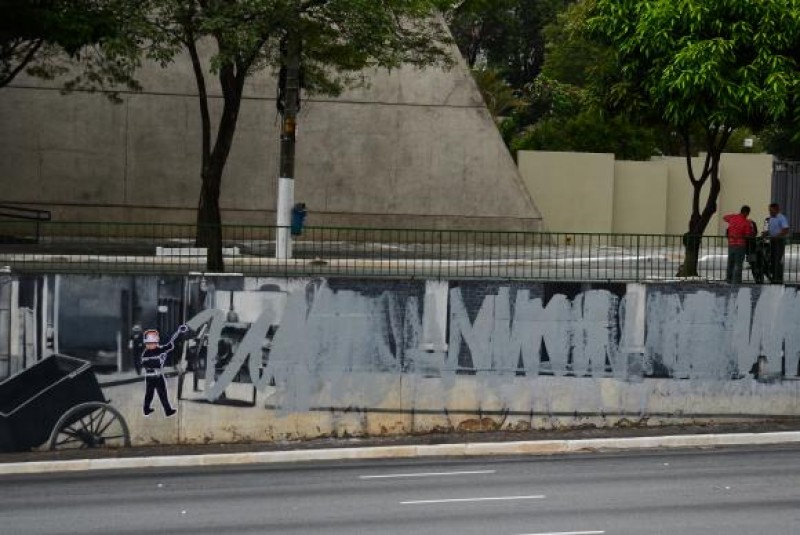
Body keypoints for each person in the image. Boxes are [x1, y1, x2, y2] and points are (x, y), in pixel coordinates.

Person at [136, 324, 189, 417]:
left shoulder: (159, 349)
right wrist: (158, 358)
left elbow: (169, 345)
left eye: (153, 343)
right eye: (149, 343)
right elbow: (145, 362)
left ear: (156, 342)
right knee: (149, 394)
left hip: (159, 376)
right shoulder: (146, 353)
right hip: (150, 376)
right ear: (146, 343)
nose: (151, 345)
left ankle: (167, 410)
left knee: (163, 393)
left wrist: (178, 333)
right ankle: (146, 409)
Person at [723, 205, 755, 284]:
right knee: (738, 263)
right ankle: (736, 281)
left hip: (731, 243)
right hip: (740, 244)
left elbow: (724, 217)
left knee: (730, 262)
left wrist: (734, 216)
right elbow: (748, 235)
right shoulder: (746, 223)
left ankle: (729, 279)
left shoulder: (732, 218)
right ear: (746, 213)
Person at [763, 202, 790, 283]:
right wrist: (766, 233)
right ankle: (774, 277)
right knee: (772, 260)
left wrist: (777, 236)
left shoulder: (781, 218)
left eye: (772, 210)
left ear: (777, 209)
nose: (770, 212)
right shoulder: (771, 218)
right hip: (772, 241)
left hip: (779, 242)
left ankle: (778, 279)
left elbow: (785, 230)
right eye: (769, 210)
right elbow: (771, 230)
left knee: (778, 260)